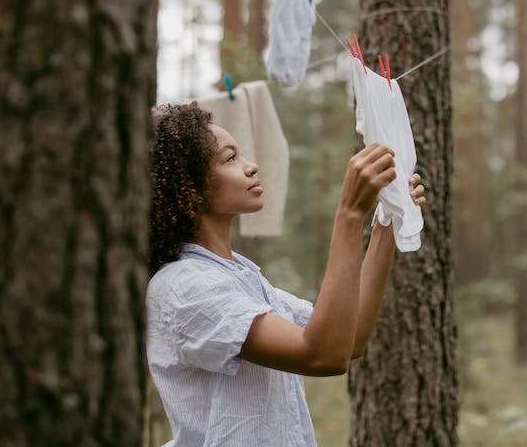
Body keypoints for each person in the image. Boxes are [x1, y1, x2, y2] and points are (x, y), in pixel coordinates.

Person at [145, 102, 425, 446]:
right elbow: (322, 355)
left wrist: (387, 220)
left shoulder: (242, 277)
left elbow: (348, 341)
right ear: (188, 184)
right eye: (230, 158)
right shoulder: (183, 288)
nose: (251, 167)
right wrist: (349, 214)